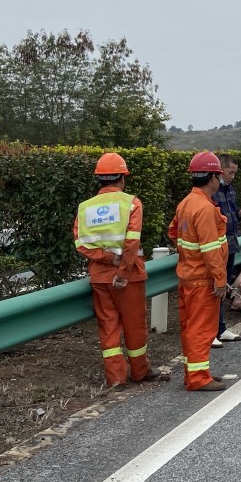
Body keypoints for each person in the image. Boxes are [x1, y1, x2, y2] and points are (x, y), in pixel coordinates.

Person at [73, 153, 163, 387]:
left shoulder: (85, 208)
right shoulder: (131, 203)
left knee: (108, 327)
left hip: (100, 278)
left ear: (100, 180)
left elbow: (80, 244)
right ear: (122, 178)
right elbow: (132, 243)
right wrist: (122, 271)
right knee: (135, 326)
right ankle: (140, 372)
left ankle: (115, 379)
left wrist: (107, 258)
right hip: (128, 278)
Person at [168, 152, 230, 392]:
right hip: (202, 279)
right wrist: (220, 279)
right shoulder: (204, 208)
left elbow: (174, 233)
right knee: (202, 329)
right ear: (213, 177)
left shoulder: (185, 204)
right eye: (219, 176)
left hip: (188, 276)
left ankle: (195, 372)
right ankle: (198, 378)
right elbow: (211, 249)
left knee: (189, 328)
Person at [212, 153, 241, 347]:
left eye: (235, 173)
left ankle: (220, 328)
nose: (232, 176)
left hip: (231, 245)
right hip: (216, 248)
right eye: (230, 172)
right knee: (214, 289)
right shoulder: (211, 191)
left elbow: (231, 217)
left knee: (225, 286)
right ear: (220, 170)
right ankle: (211, 331)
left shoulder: (230, 190)